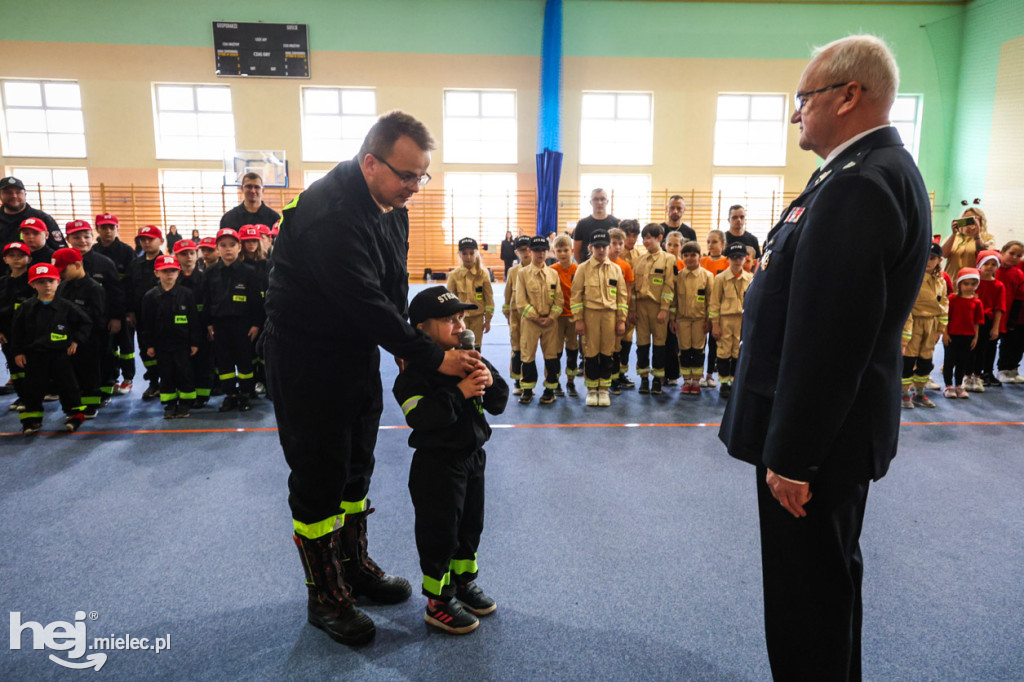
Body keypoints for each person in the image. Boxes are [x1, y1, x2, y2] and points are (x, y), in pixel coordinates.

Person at [718, 35, 931, 681]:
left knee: (806, 603)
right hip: (829, 437)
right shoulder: (861, 172)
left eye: (803, 98)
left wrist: (793, 456)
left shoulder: (858, 185)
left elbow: (829, 340)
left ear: (848, 96)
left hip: (816, 448)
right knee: (825, 589)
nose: (795, 114)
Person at [263, 111, 482, 647]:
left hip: (354, 349)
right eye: (406, 175)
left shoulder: (391, 206)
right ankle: (325, 595)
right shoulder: (329, 214)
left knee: (357, 462)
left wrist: (406, 345)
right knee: (319, 473)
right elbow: (362, 300)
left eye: (421, 176)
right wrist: (430, 357)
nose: (414, 187)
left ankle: (352, 569)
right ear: (369, 163)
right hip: (306, 357)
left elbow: (390, 286)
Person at [392, 286, 508, 634]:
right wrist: (459, 393)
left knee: (470, 527)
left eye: (460, 318)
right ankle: (438, 601)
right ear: (422, 328)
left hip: (473, 459)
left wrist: (489, 380)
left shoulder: (470, 357)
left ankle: (463, 582)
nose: (460, 326)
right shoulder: (414, 374)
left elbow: (499, 402)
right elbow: (421, 417)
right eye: (448, 320)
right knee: (440, 534)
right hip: (437, 466)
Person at [10, 263, 90, 434]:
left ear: (58, 282)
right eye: (41, 282)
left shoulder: (67, 307)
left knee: (69, 387)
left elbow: (85, 323)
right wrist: (18, 352)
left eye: (50, 281)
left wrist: (76, 341)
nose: (47, 285)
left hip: (61, 355)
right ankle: (32, 420)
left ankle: (75, 416)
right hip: (35, 355)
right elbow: (16, 332)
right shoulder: (26, 308)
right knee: (32, 388)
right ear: (32, 284)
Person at [203, 228, 263, 412]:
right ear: (217, 248)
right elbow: (206, 300)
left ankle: (245, 394)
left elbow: (256, 301)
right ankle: (230, 394)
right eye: (223, 245)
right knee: (224, 362)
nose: (228, 249)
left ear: (239, 247)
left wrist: (256, 324)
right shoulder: (210, 273)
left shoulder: (249, 272)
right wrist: (209, 323)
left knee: (245, 360)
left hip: (243, 325)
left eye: (232, 245)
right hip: (220, 325)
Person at [66, 219, 125, 404]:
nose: (82, 241)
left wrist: (116, 317)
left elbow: (116, 293)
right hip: (74, 325)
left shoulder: (104, 262)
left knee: (105, 357)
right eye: (76, 237)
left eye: (86, 236)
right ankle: (83, 392)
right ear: (68, 239)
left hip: (101, 322)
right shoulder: (63, 262)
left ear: (93, 237)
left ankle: (105, 390)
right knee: (78, 360)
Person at [570, 230, 628, 407]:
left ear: (608, 247)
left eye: (604, 246)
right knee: (591, 353)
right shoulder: (583, 269)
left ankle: (603, 389)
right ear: (591, 248)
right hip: (590, 316)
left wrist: (621, 320)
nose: (601, 250)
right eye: (597, 247)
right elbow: (576, 296)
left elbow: (622, 296)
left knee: (607, 353)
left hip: (610, 316)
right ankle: (591, 389)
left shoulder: (616, 269)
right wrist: (579, 319)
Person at [141, 255, 201, 419]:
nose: (169, 274)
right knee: (166, 374)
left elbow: (194, 320)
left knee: (184, 373)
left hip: (182, 344)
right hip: (162, 345)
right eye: (165, 271)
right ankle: (170, 404)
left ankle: (185, 403)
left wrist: (194, 342)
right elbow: (146, 324)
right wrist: (149, 345)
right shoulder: (150, 297)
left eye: (173, 271)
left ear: (178, 272)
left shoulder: (186, 294)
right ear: (156, 273)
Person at [53, 248, 106, 418]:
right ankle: (75, 404)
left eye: (63, 270)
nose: (61, 274)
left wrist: (80, 337)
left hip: (88, 340)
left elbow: (97, 318)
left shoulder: (94, 288)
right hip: (66, 339)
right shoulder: (62, 287)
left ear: (77, 265)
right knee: (70, 375)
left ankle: (91, 405)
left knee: (89, 373)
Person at [92, 213, 138, 396]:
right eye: (104, 227)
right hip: (102, 311)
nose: (108, 231)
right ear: (97, 229)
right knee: (107, 348)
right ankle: (111, 378)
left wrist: (130, 311)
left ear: (117, 228)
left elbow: (133, 284)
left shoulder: (127, 252)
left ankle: (128, 378)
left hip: (124, 308)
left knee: (126, 347)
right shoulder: (93, 252)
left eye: (112, 227)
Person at [514, 235, 562, 405]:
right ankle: (527, 390)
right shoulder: (522, 274)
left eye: (543, 250)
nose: (540, 253)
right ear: (531, 251)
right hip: (530, 323)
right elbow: (521, 302)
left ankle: (550, 390)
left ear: (548, 252)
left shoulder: (553, 274)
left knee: (551, 357)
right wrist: (536, 318)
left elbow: (559, 301)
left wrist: (551, 317)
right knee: (527, 356)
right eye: (536, 250)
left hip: (550, 323)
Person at [901, 243, 947, 409]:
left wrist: (941, 328)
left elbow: (944, 304)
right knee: (908, 360)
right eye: (925, 257)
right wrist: (905, 334)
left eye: (932, 258)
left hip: (931, 324)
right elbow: (906, 304)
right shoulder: (913, 278)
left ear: (939, 260)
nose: (928, 261)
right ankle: (903, 393)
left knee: (926, 361)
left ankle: (919, 393)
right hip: (914, 322)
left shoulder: (940, 281)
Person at [631, 223, 676, 395]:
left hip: (658, 308)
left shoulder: (668, 259)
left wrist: (665, 308)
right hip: (641, 307)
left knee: (659, 345)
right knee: (642, 344)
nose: (645, 241)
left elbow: (669, 286)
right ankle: (643, 378)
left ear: (659, 238)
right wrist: (633, 309)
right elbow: (633, 288)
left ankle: (657, 379)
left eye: (649, 237)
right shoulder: (639, 260)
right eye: (644, 238)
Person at [125, 225, 164, 400]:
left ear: (160, 240)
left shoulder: (168, 263)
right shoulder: (135, 265)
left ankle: (168, 381)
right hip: (142, 317)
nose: (147, 243)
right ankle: (153, 381)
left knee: (167, 350)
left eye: (151, 239)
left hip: (164, 317)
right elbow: (128, 290)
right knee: (146, 351)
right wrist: (130, 312)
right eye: (143, 240)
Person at [174, 240, 214, 408]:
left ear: (197, 255)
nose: (188, 257)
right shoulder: (173, 280)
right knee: (183, 364)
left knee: (203, 362)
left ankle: (202, 396)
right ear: (176, 256)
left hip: (202, 326)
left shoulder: (205, 278)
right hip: (181, 328)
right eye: (184, 254)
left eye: (191, 253)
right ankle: (186, 394)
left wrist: (210, 324)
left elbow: (211, 302)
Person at [708, 242, 752, 398]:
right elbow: (714, 303)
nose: (737, 261)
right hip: (725, 320)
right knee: (723, 351)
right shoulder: (720, 278)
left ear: (745, 258)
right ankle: (724, 383)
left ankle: (734, 381)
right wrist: (715, 324)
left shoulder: (750, 278)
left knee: (738, 351)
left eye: (740, 257)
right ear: (728, 259)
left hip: (742, 320)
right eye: (733, 257)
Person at [671, 240, 714, 395]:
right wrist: (672, 319)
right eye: (686, 255)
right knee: (684, 351)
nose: (689, 258)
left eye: (693, 255)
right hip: (682, 320)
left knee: (697, 351)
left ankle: (696, 380)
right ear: (682, 257)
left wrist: (709, 320)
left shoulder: (707, 276)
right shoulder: (678, 277)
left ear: (700, 257)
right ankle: (686, 380)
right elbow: (674, 301)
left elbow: (711, 301)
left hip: (700, 321)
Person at [0, 177, 66, 269]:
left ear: (25, 194)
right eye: (8, 192)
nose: (14, 196)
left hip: (40, 273)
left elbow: (61, 251)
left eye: (18, 192)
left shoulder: (42, 218)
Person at [0, 243, 34, 411]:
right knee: (14, 367)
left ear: (29, 259)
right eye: (11, 255)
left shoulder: (33, 282)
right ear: (5, 259)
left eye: (21, 255)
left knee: (30, 366)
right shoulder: (2, 282)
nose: (16, 259)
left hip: (29, 333)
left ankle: (32, 398)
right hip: (7, 333)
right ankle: (22, 396)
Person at [943, 268, 984, 399]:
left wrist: (976, 337)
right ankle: (948, 385)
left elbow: (977, 321)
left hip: (968, 336)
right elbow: (945, 318)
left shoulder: (977, 302)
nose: (970, 287)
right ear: (959, 284)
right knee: (949, 361)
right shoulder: (952, 299)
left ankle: (959, 385)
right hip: (952, 336)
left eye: (973, 284)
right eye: (966, 284)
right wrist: (945, 334)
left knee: (962, 362)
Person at [446, 237, 493, 350]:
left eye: (471, 253)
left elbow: (489, 299)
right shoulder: (454, 275)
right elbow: (449, 302)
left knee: (476, 348)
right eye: (464, 253)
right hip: (460, 320)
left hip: (478, 319)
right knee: (459, 347)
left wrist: (488, 320)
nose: (468, 257)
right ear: (459, 254)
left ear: (476, 254)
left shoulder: (483, 274)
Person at [970, 250, 1005, 390]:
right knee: (971, 347)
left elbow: (998, 309)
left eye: (993, 264)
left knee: (985, 348)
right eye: (986, 263)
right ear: (979, 264)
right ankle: (967, 374)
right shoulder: (972, 282)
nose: (989, 267)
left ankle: (982, 374)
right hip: (971, 319)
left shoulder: (998, 286)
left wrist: (996, 327)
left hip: (987, 320)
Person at [550, 234, 579, 397]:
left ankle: (571, 382)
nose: (562, 254)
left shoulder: (578, 270)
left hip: (574, 316)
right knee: (556, 351)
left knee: (573, 350)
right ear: (554, 252)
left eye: (566, 250)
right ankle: (555, 382)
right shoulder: (551, 270)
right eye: (559, 251)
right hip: (557, 318)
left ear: (572, 251)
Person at [607, 227, 636, 394]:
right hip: (604, 312)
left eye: (620, 244)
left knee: (621, 345)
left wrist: (625, 313)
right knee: (607, 347)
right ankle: (606, 377)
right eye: (613, 243)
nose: (617, 247)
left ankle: (617, 376)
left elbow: (628, 292)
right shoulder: (601, 263)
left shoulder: (625, 266)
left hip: (620, 312)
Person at [503, 235, 531, 393]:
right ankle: (517, 381)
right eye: (522, 250)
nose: (526, 253)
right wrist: (507, 313)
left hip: (533, 317)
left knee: (529, 350)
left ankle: (528, 381)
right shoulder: (513, 271)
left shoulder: (539, 269)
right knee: (517, 348)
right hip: (516, 316)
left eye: (528, 249)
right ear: (516, 252)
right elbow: (507, 295)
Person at [700, 230, 728, 388]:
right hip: (701, 308)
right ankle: (699, 374)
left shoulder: (727, 262)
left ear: (723, 244)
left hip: (718, 309)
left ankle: (710, 374)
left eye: (715, 242)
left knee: (713, 343)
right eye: (708, 242)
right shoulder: (702, 261)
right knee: (699, 344)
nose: (710, 245)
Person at [995, 241, 1024, 383]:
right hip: (1001, 313)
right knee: (1004, 342)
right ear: (1003, 252)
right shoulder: (995, 268)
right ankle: (1001, 369)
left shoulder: (1018, 273)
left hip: (1016, 313)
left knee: (1018, 343)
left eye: (1018, 255)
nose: (1014, 257)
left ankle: (1013, 368)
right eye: (1011, 253)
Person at [572, 188, 619, 263]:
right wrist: (584, 267)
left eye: (602, 199)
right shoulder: (582, 224)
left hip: (611, 267)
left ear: (607, 201)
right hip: (588, 267)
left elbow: (620, 248)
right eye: (596, 199)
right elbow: (576, 253)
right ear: (591, 202)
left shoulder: (616, 223)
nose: (599, 202)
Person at [941, 206, 986, 279]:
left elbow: (984, 257)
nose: (968, 225)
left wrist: (977, 236)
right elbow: (942, 254)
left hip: (971, 282)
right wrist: (953, 234)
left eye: (972, 221)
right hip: (950, 281)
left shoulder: (986, 239)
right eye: (965, 220)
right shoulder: (954, 237)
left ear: (980, 223)